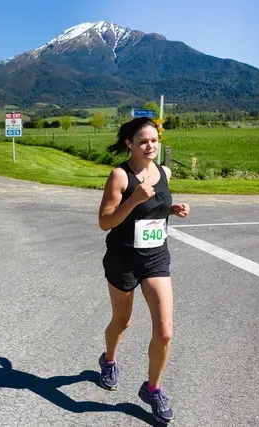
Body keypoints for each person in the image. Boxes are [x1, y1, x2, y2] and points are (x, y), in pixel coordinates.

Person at [97, 117, 190, 424]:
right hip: (123, 259)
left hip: (155, 258)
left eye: (154, 140)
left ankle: (153, 389)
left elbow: (154, 211)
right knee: (122, 322)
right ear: (129, 144)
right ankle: (109, 360)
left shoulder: (165, 171)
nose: (150, 146)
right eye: (143, 142)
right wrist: (134, 199)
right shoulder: (120, 177)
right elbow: (106, 222)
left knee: (164, 333)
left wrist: (171, 210)